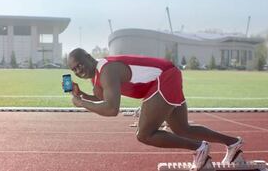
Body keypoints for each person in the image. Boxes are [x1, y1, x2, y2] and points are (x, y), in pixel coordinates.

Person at [66, 48, 243, 171]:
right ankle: (233, 143)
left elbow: (112, 109)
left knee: (144, 134)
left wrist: (81, 104)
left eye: (79, 65)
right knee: (183, 129)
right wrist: (81, 95)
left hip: (164, 78)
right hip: (167, 76)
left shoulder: (106, 70)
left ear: (89, 57)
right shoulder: (97, 77)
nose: (78, 71)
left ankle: (200, 149)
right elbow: (101, 99)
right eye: (74, 70)